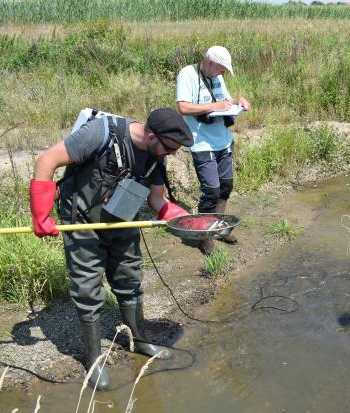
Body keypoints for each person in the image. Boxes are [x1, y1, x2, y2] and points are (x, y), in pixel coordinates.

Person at [29, 108, 195, 391]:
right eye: (170, 148)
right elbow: (47, 160)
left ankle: (139, 340)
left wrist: (182, 219)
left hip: (123, 218)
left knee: (130, 279)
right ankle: (93, 360)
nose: (172, 154)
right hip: (81, 221)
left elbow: (157, 199)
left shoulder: (158, 155)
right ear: (152, 135)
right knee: (87, 288)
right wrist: (40, 213)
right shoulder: (101, 133)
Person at [176, 45, 251, 255]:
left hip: (223, 141)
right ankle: (204, 237)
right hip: (202, 143)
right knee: (211, 190)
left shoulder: (217, 76)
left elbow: (224, 102)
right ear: (209, 62)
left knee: (225, 187)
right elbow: (182, 107)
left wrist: (238, 101)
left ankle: (219, 228)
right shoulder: (187, 74)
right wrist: (213, 107)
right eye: (221, 68)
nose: (223, 73)